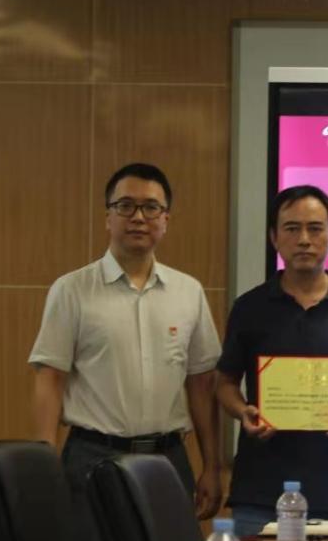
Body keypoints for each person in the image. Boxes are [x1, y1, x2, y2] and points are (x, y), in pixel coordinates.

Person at [30, 162, 224, 518]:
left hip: (167, 458)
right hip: (92, 457)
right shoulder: (71, 290)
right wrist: (45, 464)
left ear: (166, 220)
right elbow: (51, 379)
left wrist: (212, 465)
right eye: (125, 206)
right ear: (108, 217)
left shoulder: (189, 292)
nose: (138, 217)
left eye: (151, 207)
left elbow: (201, 384)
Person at [213, 186, 328, 537]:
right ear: (274, 237)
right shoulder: (250, 307)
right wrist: (243, 411)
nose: (304, 239)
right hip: (260, 491)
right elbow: (225, 383)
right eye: (292, 229)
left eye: (315, 228)